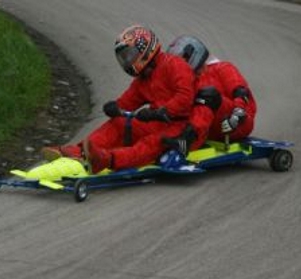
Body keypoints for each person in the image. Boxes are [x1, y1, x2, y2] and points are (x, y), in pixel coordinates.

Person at [41, 25, 196, 173]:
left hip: (181, 127)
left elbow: (185, 97)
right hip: (156, 122)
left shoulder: (174, 64)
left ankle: (107, 160)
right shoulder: (142, 80)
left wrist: (160, 112)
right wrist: (114, 107)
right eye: (124, 58)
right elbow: (127, 103)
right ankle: (79, 151)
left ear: (145, 49)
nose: (127, 61)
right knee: (119, 123)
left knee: (151, 143)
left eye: (130, 55)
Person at [164, 35, 257, 154]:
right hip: (206, 127)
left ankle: (186, 142)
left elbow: (242, 93)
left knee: (208, 95)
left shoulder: (223, 68)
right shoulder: (187, 80)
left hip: (235, 123)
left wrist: (236, 116)